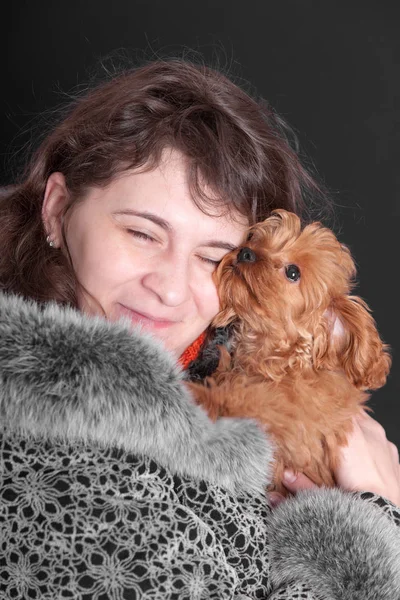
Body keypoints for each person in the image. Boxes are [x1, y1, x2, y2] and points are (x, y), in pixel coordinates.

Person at [0, 58, 399, 600]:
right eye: (142, 233)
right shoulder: (44, 436)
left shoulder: (218, 395)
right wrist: (377, 519)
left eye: (215, 257)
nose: (168, 288)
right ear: (56, 209)